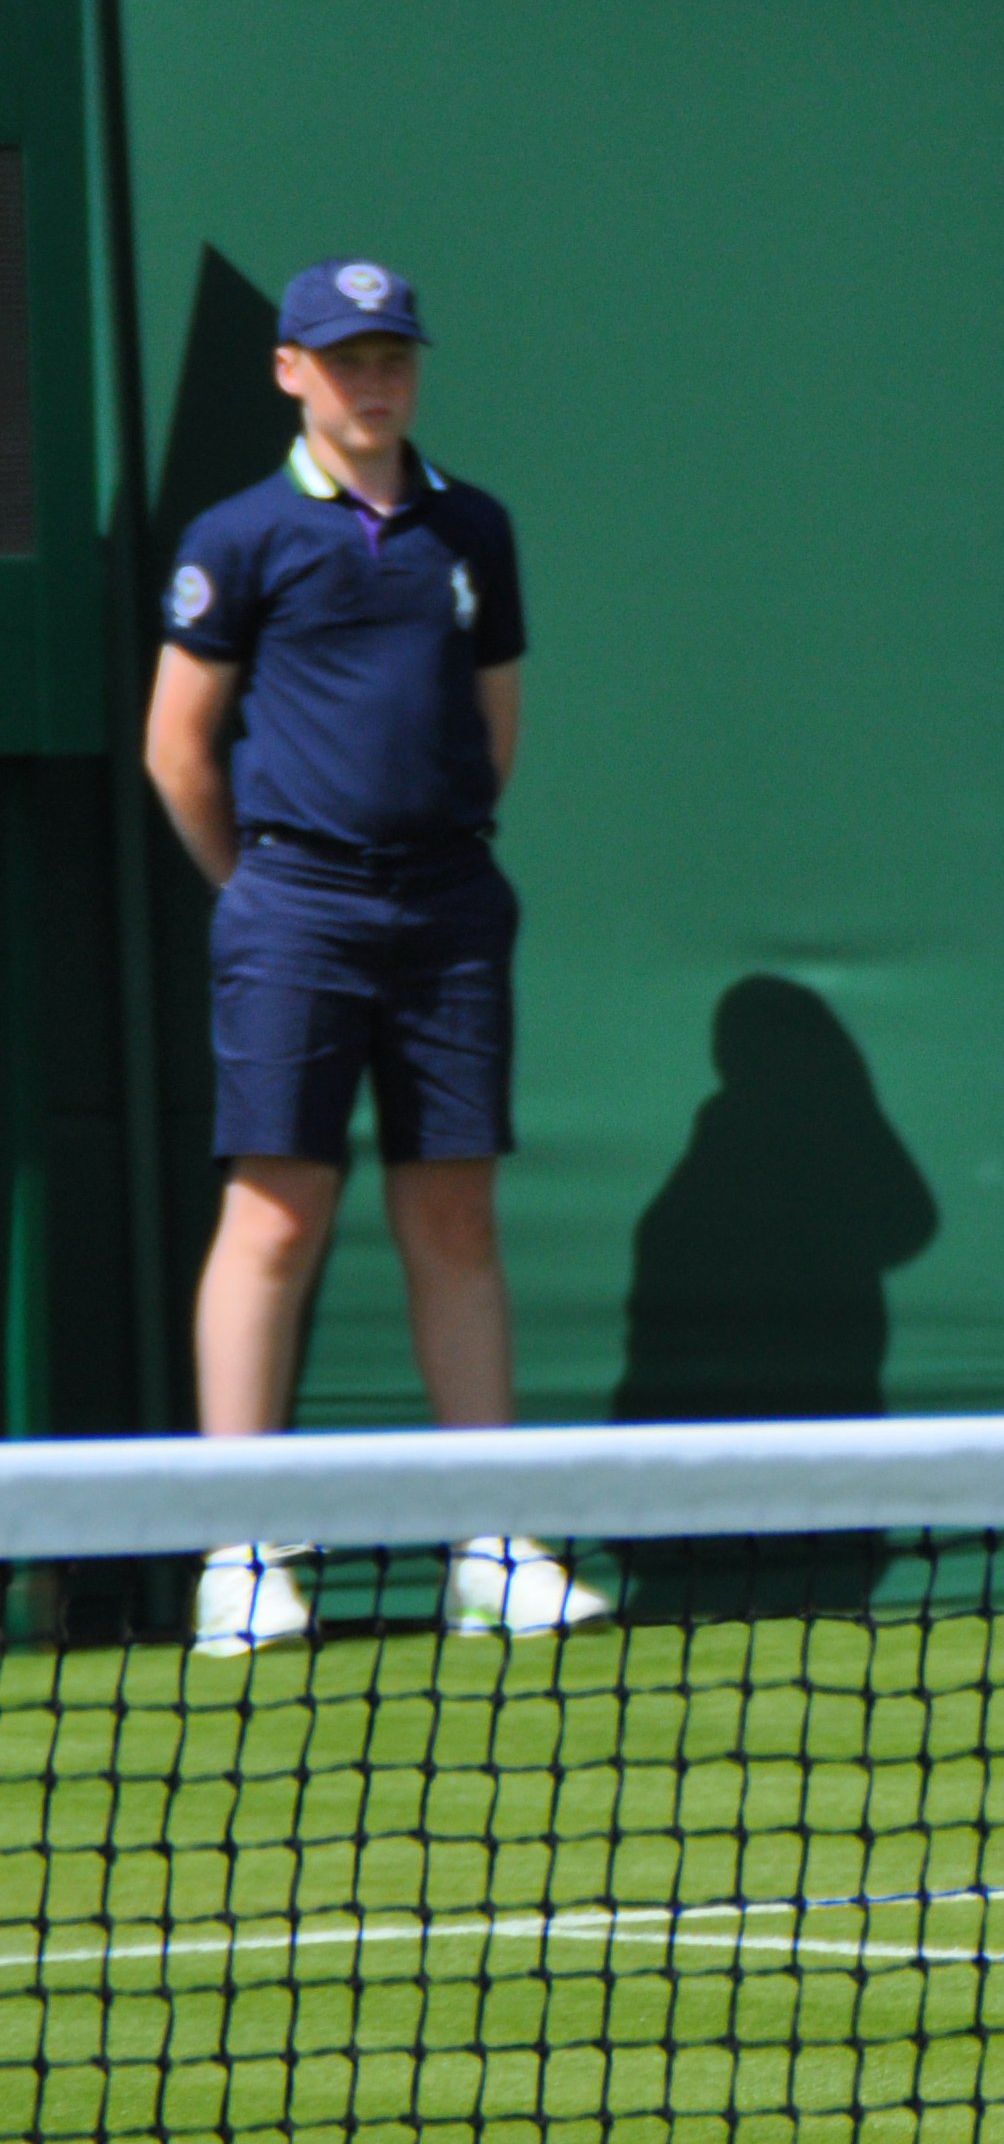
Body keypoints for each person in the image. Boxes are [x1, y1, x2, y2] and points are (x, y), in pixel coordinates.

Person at [143, 258, 608, 1655]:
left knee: (455, 1218)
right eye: (345, 359)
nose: (374, 381)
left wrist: (436, 851)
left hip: (451, 908)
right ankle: (241, 1556)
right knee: (275, 1216)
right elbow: (178, 747)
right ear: (291, 371)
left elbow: (493, 726)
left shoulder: (476, 528)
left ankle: (493, 1547)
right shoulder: (238, 536)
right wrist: (261, 888)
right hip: (293, 907)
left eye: (392, 354)